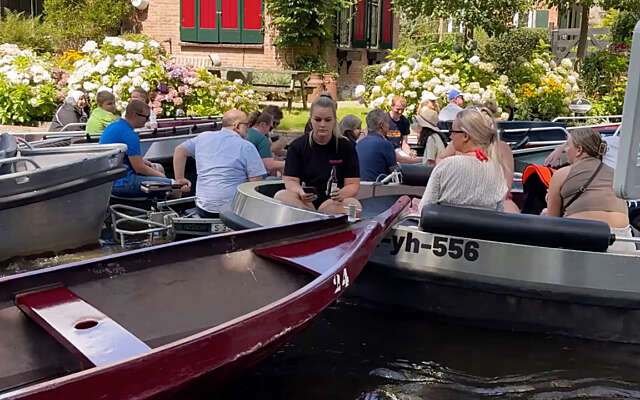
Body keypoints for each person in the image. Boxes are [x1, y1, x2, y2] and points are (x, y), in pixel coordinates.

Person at [543, 128, 635, 254]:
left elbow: (552, 222)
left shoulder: (562, 174)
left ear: (579, 150)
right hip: (621, 240)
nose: (565, 150)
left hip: (581, 237)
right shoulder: (616, 175)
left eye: (568, 146)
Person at [275, 96, 361, 215]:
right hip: (305, 202)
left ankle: (316, 218)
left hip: (333, 202)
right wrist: (300, 191)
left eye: (327, 120)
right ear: (311, 120)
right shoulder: (297, 146)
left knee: (354, 205)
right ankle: (311, 217)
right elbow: (290, 180)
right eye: (318, 119)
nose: (322, 124)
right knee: (281, 196)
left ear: (334, 120)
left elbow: (353, 184)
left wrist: (342, 193)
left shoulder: (346, 147)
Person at [173, 109, 266, 217]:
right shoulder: (246, 146)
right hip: (233, 211)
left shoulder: (203, 137)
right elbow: (255, 183)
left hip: (203, 207)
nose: (248, 129)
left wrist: (179, 179)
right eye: (247, 125)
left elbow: (179, 150)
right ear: (237, 126)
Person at [419, 106, 508, 211]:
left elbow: (424, 210)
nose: (451, 136)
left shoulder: (446, 165)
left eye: (452, 131)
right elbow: (499, 213)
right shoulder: (498, 170)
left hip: (443, 226)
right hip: (483, 227)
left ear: (465, 136)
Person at [99, 100, 173, 197]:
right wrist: (163, 177)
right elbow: (139, 168)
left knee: (156, 167)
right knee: (173, 185)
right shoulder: (129, 135)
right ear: (135, 115)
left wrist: (148, 164)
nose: (147, 121)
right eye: (146, 117)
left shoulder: (113, 126)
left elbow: (128, 158)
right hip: (123, 182)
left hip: (108, 181)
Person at [356, 109, 397, 182]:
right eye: (387, 122)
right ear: (381, 125)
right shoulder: (385, 144)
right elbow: (395, 173)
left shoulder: (359, 144)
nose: (389, 125)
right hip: (378, 189)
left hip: (360, 187)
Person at [247, 110, 284, 176]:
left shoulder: (246, 132)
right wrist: (288, 163)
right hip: (257, 178)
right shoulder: (262, 139)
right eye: (270, 128)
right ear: (263, 124)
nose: (269, 132)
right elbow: (269, 165)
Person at [386, 95, 421, 164]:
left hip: (397, 149)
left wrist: (409, 153)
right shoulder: (385, 119)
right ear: (392, 107)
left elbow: (404, 143)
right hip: (386, 149)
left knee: (409, 160)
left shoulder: (404, 121)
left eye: (402, 109)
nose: (400, 112)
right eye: (398, 109)